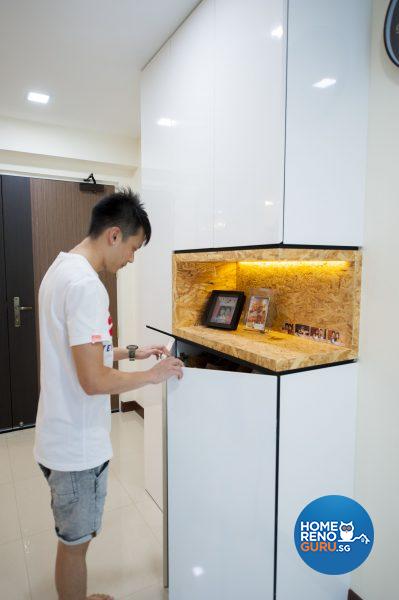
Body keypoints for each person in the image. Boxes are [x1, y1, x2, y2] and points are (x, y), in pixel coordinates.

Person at [33, 189, 183, 600]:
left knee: (74, 541)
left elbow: (82, 350)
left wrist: (133, 352)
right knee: (75, 545)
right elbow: (93, 380)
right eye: (134, 248)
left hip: (58, 436)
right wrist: (152, 376)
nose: (132, 259)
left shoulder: (61, 269)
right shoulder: (87, 286)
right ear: (114, 235)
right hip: (76, 448)